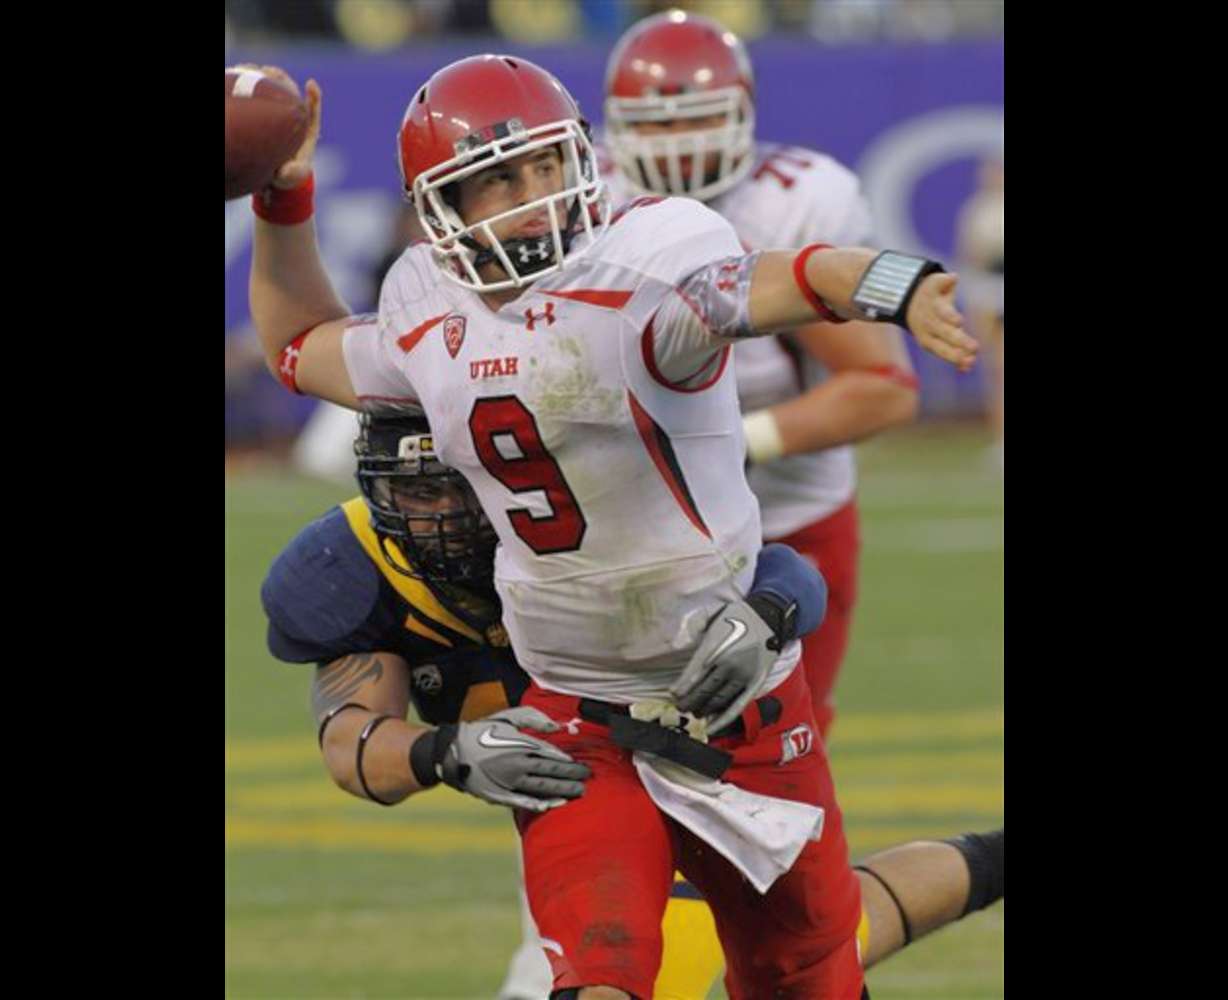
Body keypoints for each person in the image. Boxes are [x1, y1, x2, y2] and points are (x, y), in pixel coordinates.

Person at [247, 55, 976, 999]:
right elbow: (299, 347)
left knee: (807, 977)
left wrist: (891, 282)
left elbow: (782, 281)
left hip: (737, 703)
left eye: (545, 167)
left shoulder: (648, 262)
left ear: (582, 160)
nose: (531, 197)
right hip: (576, 713)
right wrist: (284, 199)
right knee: (597, 977)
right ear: (439, 207)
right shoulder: (424, 304)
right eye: (497, 178)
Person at [263, 404, 1002, 997]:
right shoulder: (352, 565)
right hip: (577, 785)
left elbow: (783, 571)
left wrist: (769, 612)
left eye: (461, 482)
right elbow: (352, 742)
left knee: (808, 952)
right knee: (651, 961)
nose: (444, 513)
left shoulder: (595, 507)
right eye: (418, 490)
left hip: (697, 754)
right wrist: (444, 753)